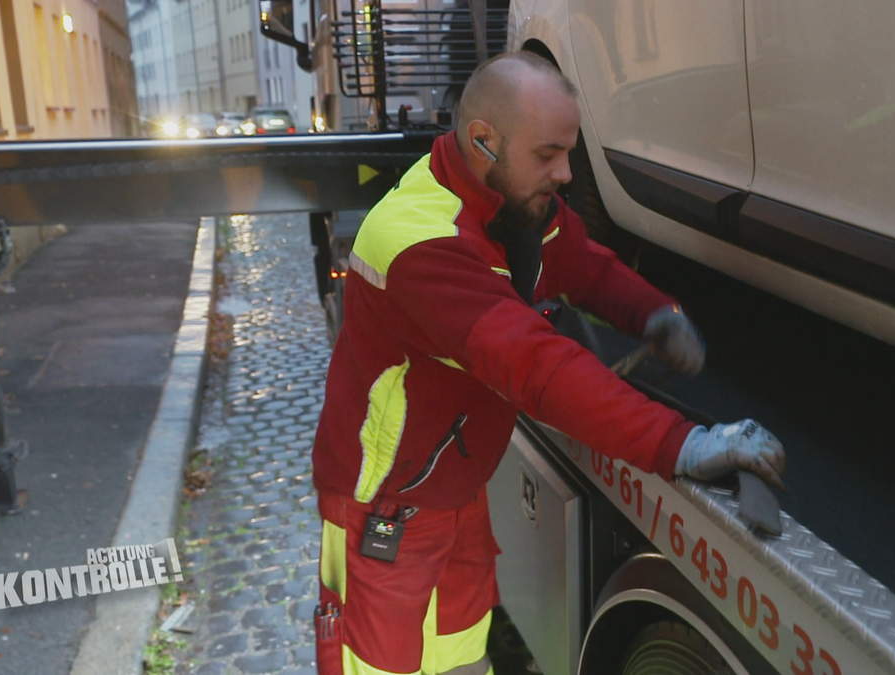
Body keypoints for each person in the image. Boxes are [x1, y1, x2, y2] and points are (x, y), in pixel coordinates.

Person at [310, 51, 786, 675]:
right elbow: (537, 368)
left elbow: (582, 263)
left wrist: (653, 313)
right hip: (385, 513)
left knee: (460, 661)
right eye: (546, 154)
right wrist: (682, 445)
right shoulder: (417, 242)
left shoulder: (513, 206)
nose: (565, 173)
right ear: (483, 141)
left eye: (569, 151)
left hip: (455, 492)